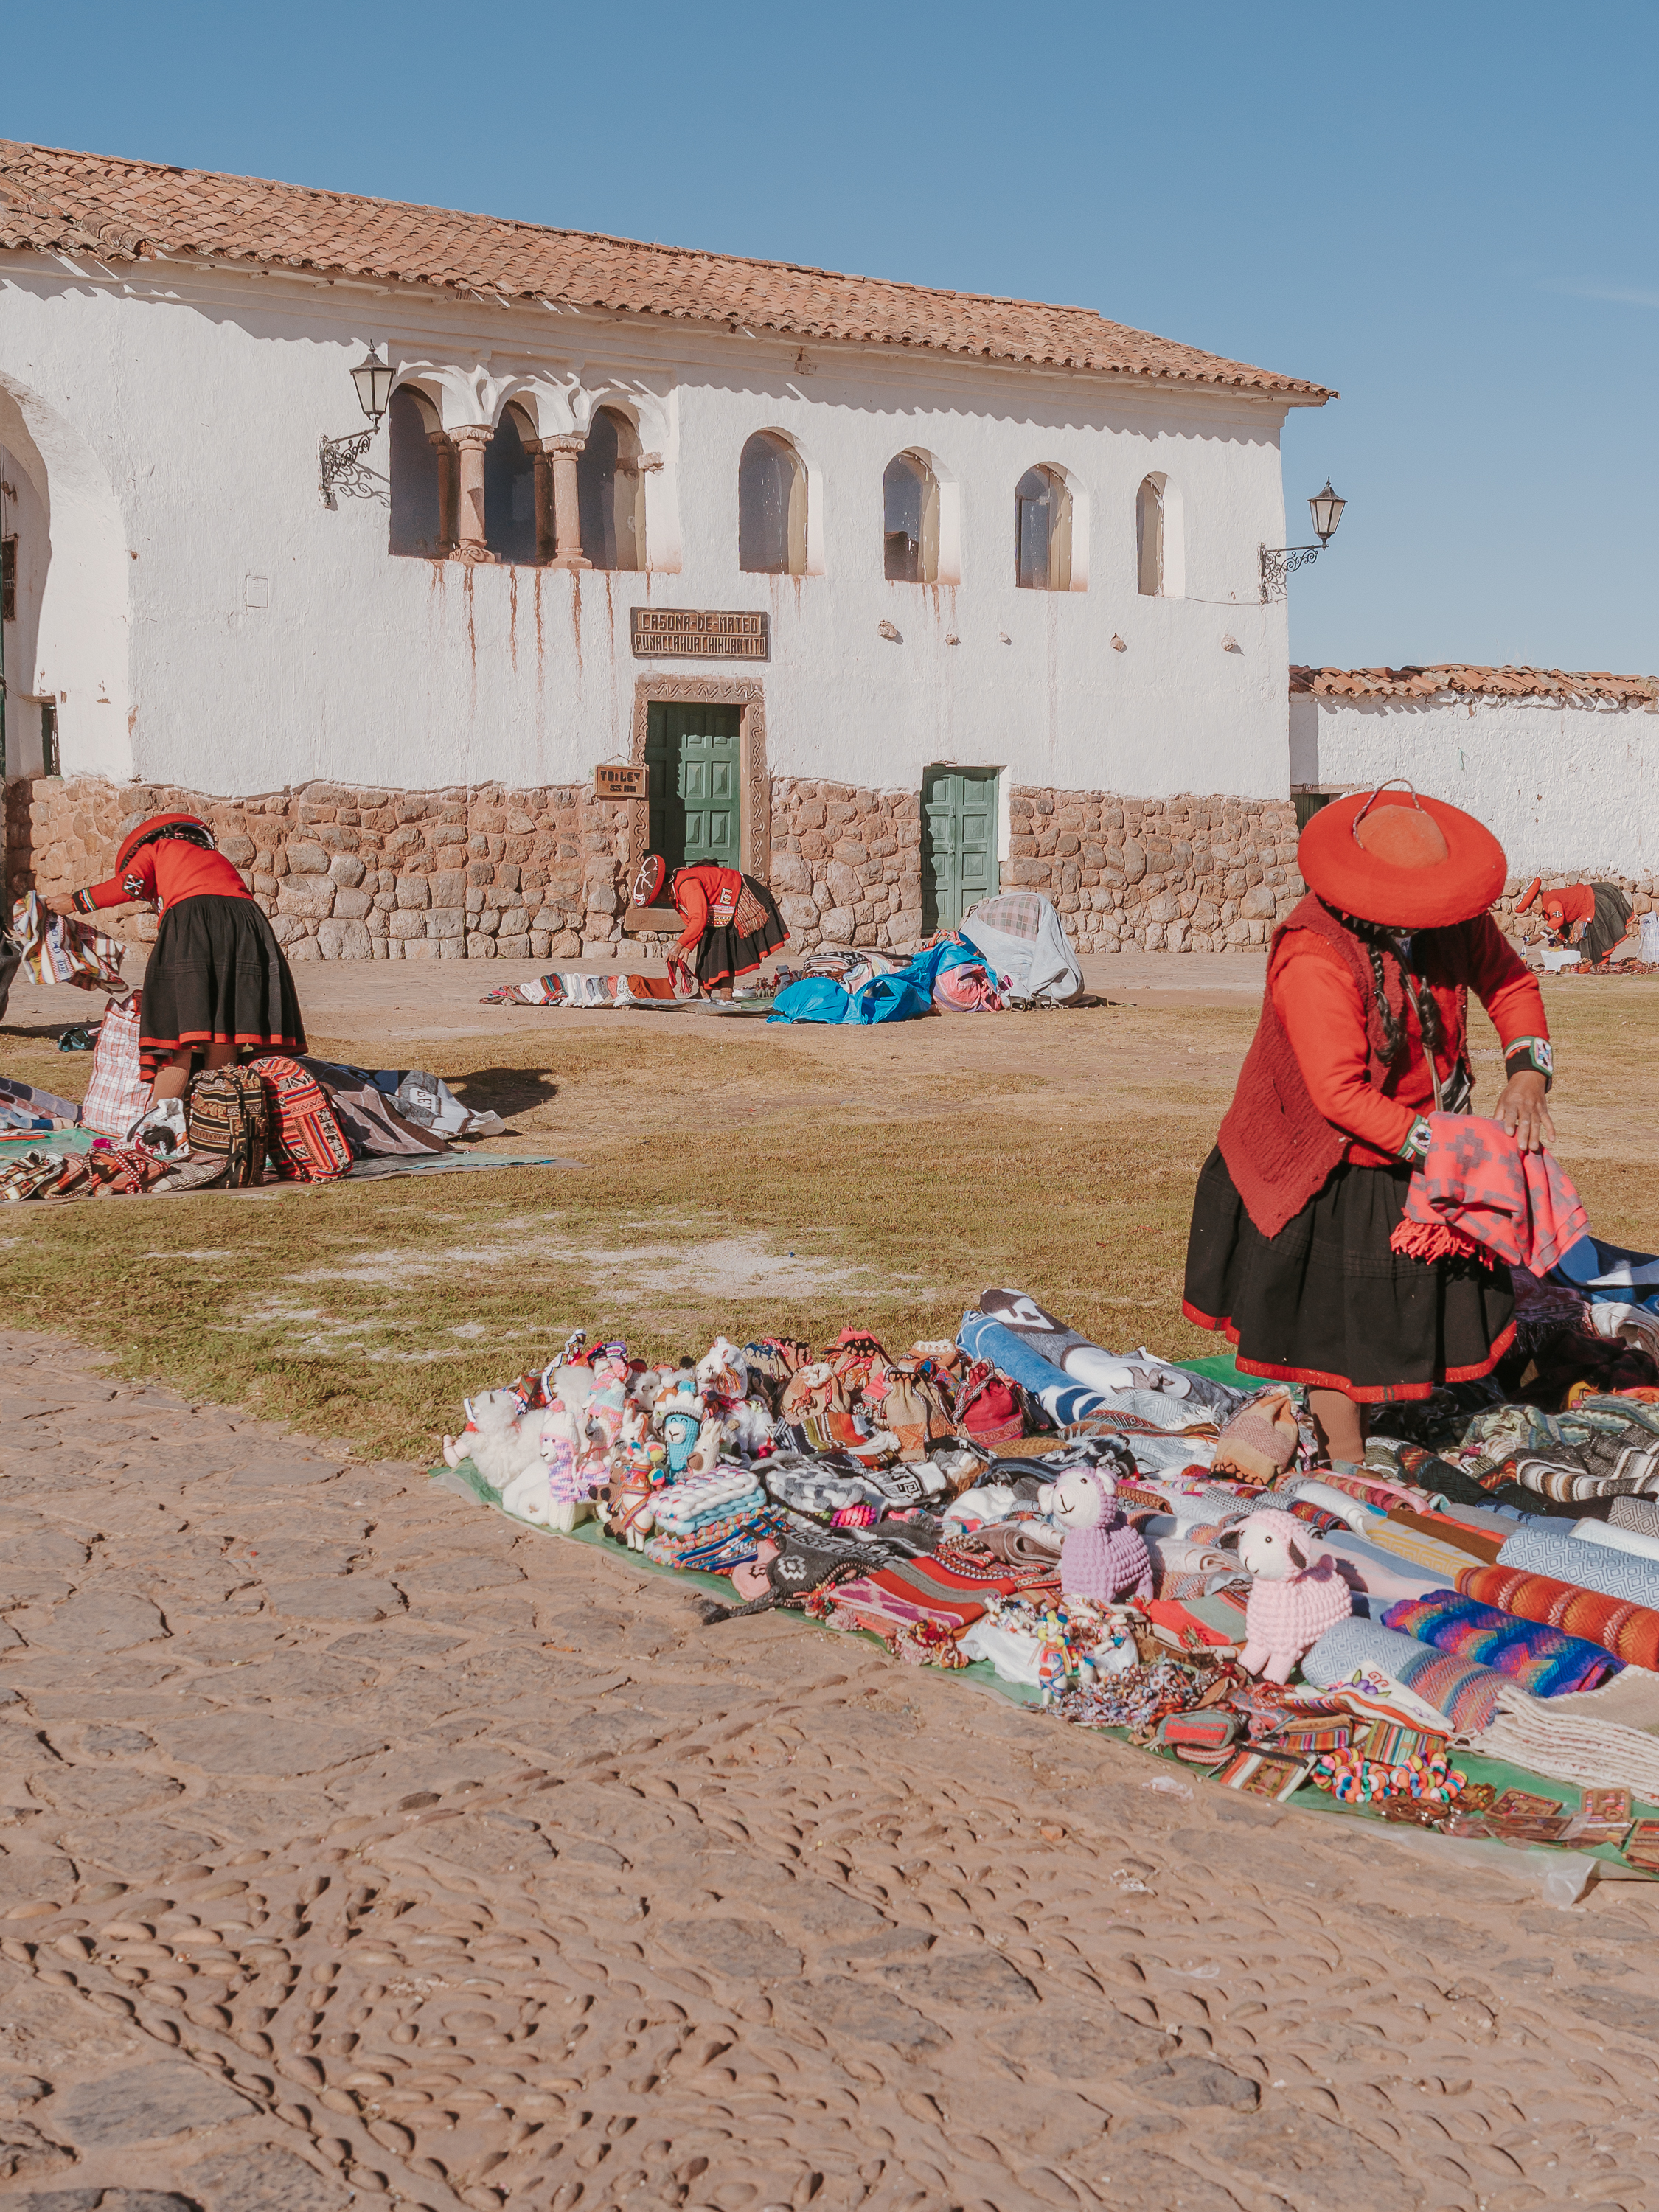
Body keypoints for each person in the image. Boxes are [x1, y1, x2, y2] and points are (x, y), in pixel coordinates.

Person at [1182, 784, 1554, 1467]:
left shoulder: (1451, 920)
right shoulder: (1315, 954)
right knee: (1339, 1327)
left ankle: (1404, 1414)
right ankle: (1349, 1468)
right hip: (1329, 1158)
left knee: (1406, 1306)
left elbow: (1509, 984)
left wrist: (1529, 1074)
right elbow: (1338, 1094)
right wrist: (1446, 1149)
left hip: (1418, 1135)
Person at [44, 811, 305, 1149]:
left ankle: (161, 1119)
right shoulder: (214, 857)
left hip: (193, 921)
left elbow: (130, 885)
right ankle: (218, 1113)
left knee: (175, 1029)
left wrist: (73, 901)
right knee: (223, 1024)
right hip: (248, 925)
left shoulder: (158, 847)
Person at [633, 852, 788, 1000]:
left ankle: (726, 995)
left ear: (665, 888)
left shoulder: (687, 885)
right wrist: (689, 946)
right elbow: (694, 925)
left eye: (657, 897)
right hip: (718, 904)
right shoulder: (674, 895)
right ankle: (704, 993)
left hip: (737, 894)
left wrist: (678, 946)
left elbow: (698, 920)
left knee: (723, 943)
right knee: (707, 940)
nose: (658, 901)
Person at [1516, 877, 1637, 968]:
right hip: (1581, 910)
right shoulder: (1546, 907)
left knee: (1590, 937)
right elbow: (1565, 921)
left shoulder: (1550, 902)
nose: (1532, 909)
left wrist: (1538, 937)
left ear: (1538, 897)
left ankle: (1600, 964)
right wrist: (1560, 938)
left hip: (1591, 903)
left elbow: (1558, 919)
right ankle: (1594, 965)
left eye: (1531, 905)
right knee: (1575, 940)